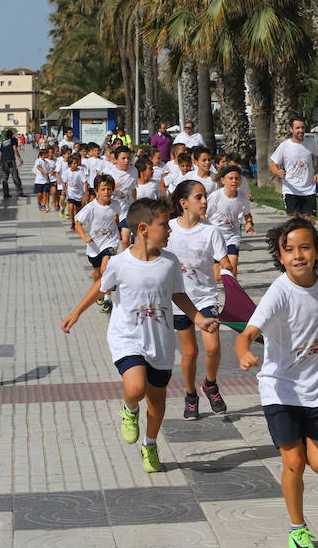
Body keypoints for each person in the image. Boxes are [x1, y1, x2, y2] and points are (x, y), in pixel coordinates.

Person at [61, 198, 220, 473]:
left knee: (157, 403)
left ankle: (150, 444)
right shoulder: (121, 263)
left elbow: (178, 294)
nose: (169, 229)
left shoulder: (170, 262)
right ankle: (129, 409)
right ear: (144, 228)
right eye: (164, 224)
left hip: (160, 342)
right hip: (127, 338)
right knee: (135, 388)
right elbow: (101, 287)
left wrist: (199, 318)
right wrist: (77, 312)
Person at [233, 218, 318, 548]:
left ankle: (304, 439)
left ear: (317, 251)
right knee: (294, 463)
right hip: (279, 388)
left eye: (304, 247)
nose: (297, 255)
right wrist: (243, 352)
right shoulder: (278, 292)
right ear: (279, 256)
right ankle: (297, 528)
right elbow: (248, 333)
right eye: (288, 250)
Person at [168, 179, 235, 419]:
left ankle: (210, 384)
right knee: (190, 352)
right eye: (199, 197)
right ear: (184, 203)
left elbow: (223, 262)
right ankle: (190, 395)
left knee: (213, 347)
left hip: (205, 297)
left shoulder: (211, 231)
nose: (205, 201)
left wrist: (225, 270)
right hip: (179, 300)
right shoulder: (168, 229)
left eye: (205, 196)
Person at [74, 174, 120, 313]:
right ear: (96, 191)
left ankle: (107, 299)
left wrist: (118, 230)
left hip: (110, 242)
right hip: (94, 246)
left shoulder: (116, 204)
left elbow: (117, 219)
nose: (106, 192)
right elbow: (78, 224)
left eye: (109, 189)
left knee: (105, 268)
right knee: (96, 273)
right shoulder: (90, 207)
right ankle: (98, 290)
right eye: (103, 189)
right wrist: (84, 237)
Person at [270, 118, 318, 222]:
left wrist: (317, 172)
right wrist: (278, 172)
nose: (301, 130)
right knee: (293, 221)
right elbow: (273, 165)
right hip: (291, 189)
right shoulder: (284, 146)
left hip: (309, 189)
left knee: (310, 221)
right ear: (291, 129)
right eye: (297, 128)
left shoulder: (310, 143)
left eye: (303, 127)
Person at [207, 166, 254, 279]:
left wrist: (249, 223)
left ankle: (233, 293)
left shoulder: (243, 198)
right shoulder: (215, 196)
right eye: (231, 178)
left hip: (233, 235)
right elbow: (204, 214)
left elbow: (247, 214)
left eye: (237, 178)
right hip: (216, 237)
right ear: (223, 180)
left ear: (240, 181)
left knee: (232, 269)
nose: (234, 181)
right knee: (217, 276)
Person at [111, 147, 139, 250]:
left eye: (128, 158)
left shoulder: (134, 170)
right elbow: (100, 191)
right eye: (123, 158)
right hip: (113, 209)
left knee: (126, 240)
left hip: (127, 209)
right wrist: (112, 187)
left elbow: (134, 189)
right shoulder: (109, 172)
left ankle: (125, 262)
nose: (126, 161)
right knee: (114, 241)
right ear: (116, 159)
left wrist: (135, 204)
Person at [61, 154, 89, 231]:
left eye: (76, 163)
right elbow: (64, 182)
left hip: (79, 194)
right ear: (70, 164)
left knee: (77, 211)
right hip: (70, 194)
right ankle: (72, 223)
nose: (75, 165)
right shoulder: (67, 172)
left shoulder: (80, 172)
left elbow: (85, 183)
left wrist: (86, 193)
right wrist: (63, 192)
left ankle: (77, 223)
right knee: (71, 208)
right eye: (74, 163)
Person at [0, 129, 26, 198]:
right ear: (11, 135)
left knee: (5, 178)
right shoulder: (13, 140)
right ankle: (20, 192)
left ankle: (5, 193)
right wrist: (19, 158)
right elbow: (15, 149)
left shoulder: (3, 142)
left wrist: (0, 162)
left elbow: (0, 153)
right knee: (15, 177)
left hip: (4, 162)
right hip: (11, 161)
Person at [33, 148, 52, 212]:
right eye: (47, 153)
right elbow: (38, 167)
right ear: (43, 154)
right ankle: (39, 203)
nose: (48, 154)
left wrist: (48, 178)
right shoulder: (38, 160)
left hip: (45, 181)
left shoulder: (47, 162)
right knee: (39, 194)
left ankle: (44, 205)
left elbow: (48, 171)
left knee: (45, 193)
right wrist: (44, 171)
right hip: (38, 181)